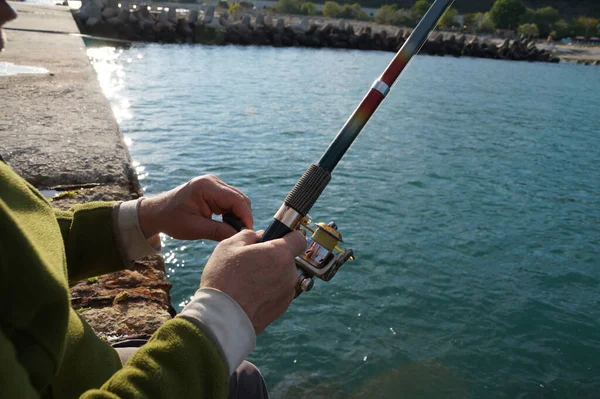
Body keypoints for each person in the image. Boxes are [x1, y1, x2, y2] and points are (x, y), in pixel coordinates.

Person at [0, 2, 306, 398]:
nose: (8, 11)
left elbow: (17, 243)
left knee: (241, 379)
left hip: (73, 366)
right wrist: (222, 320)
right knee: (243, 384)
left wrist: (143, 217)